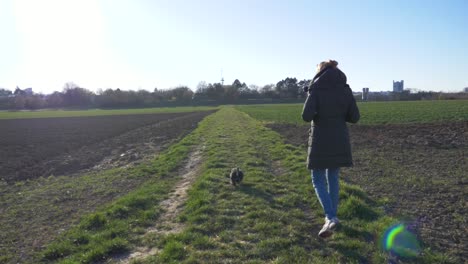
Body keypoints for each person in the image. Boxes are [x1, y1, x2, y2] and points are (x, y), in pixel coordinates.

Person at [302, 60, 360, 238]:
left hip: (320, 140)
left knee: (317, 179)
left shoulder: (316, 89)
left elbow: (306, 116)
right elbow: (355, 117)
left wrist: (310, 96)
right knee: (333, 177)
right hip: (339, 140)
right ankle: (332, 218)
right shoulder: (345, 89)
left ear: (319, 72)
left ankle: (330, 217)